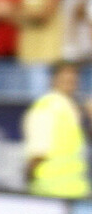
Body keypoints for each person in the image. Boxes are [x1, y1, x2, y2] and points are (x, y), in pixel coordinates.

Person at [21, 61, 92, 198]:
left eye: (73, 77)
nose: (70, 81)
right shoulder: (45, 107)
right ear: (53, 79)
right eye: (65, 77)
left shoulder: (72, 108)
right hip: (50, 190)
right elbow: (37, 153)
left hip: (75, 188)